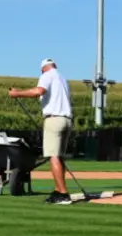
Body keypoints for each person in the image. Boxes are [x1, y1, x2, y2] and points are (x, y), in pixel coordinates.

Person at [8, 58, 74, 204]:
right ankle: (58, 190)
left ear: (43, 68)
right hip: (67, 119)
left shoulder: (47, 75)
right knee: (59, 156)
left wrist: (17, 93)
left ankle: (63, 194)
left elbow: (39, 91)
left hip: (54, 119)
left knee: (53, 156)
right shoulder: (62, 78)